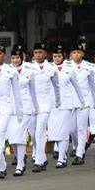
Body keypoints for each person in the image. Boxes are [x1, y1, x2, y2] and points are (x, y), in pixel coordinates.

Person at [0, 45, 23, 179]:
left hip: (6, 106)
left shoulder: (11, 70)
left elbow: (17, 93)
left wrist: (19, 112)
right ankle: (2, 168)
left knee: (0, 133)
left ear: (4, 56)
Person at [48, 45, 85, 168]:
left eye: (59, 56)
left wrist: (82, 101)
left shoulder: (69, 69)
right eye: (54, 56)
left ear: (63, 56)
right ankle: (63, 156)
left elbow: (77, 86)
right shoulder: (48, 68)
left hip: (66, 103)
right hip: (53, 104)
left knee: (64, 131)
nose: (57, 58)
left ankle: (60, 158)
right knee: (55, 132)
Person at [27, 42, 61, 173]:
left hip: (45, 103)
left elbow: (57, 87)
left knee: (41, 131)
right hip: (32, 104)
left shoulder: (51, 68)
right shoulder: (29, 68)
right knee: (33, 133)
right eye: (36, 53)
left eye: (40, 52)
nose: (38, 55)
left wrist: (57, 101)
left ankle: (38, 161)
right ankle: (42, 157)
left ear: (45, 54)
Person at [7, 47, 39, 176]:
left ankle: (20, 165)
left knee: (19, 136)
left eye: (17, 58)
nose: (15, 60)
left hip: (25, 107)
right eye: (13, 58)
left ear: (22, 58)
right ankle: (20, 157)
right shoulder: (7, 70)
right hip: (11, 108)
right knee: (12, 138)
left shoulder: (29, 71)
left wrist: (36, 106)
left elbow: (33, 91)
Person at [69, 42, 95, 165]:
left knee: (81, 128)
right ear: (70, 54)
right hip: (70, 100)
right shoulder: (66, 66)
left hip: (84, 101)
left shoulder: (89, 67)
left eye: (78, 52)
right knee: (71, 129)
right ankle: (78, 147)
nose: (76, 55)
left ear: (83, 54)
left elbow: (92, 85)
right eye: (74, 52)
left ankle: (79, 154)